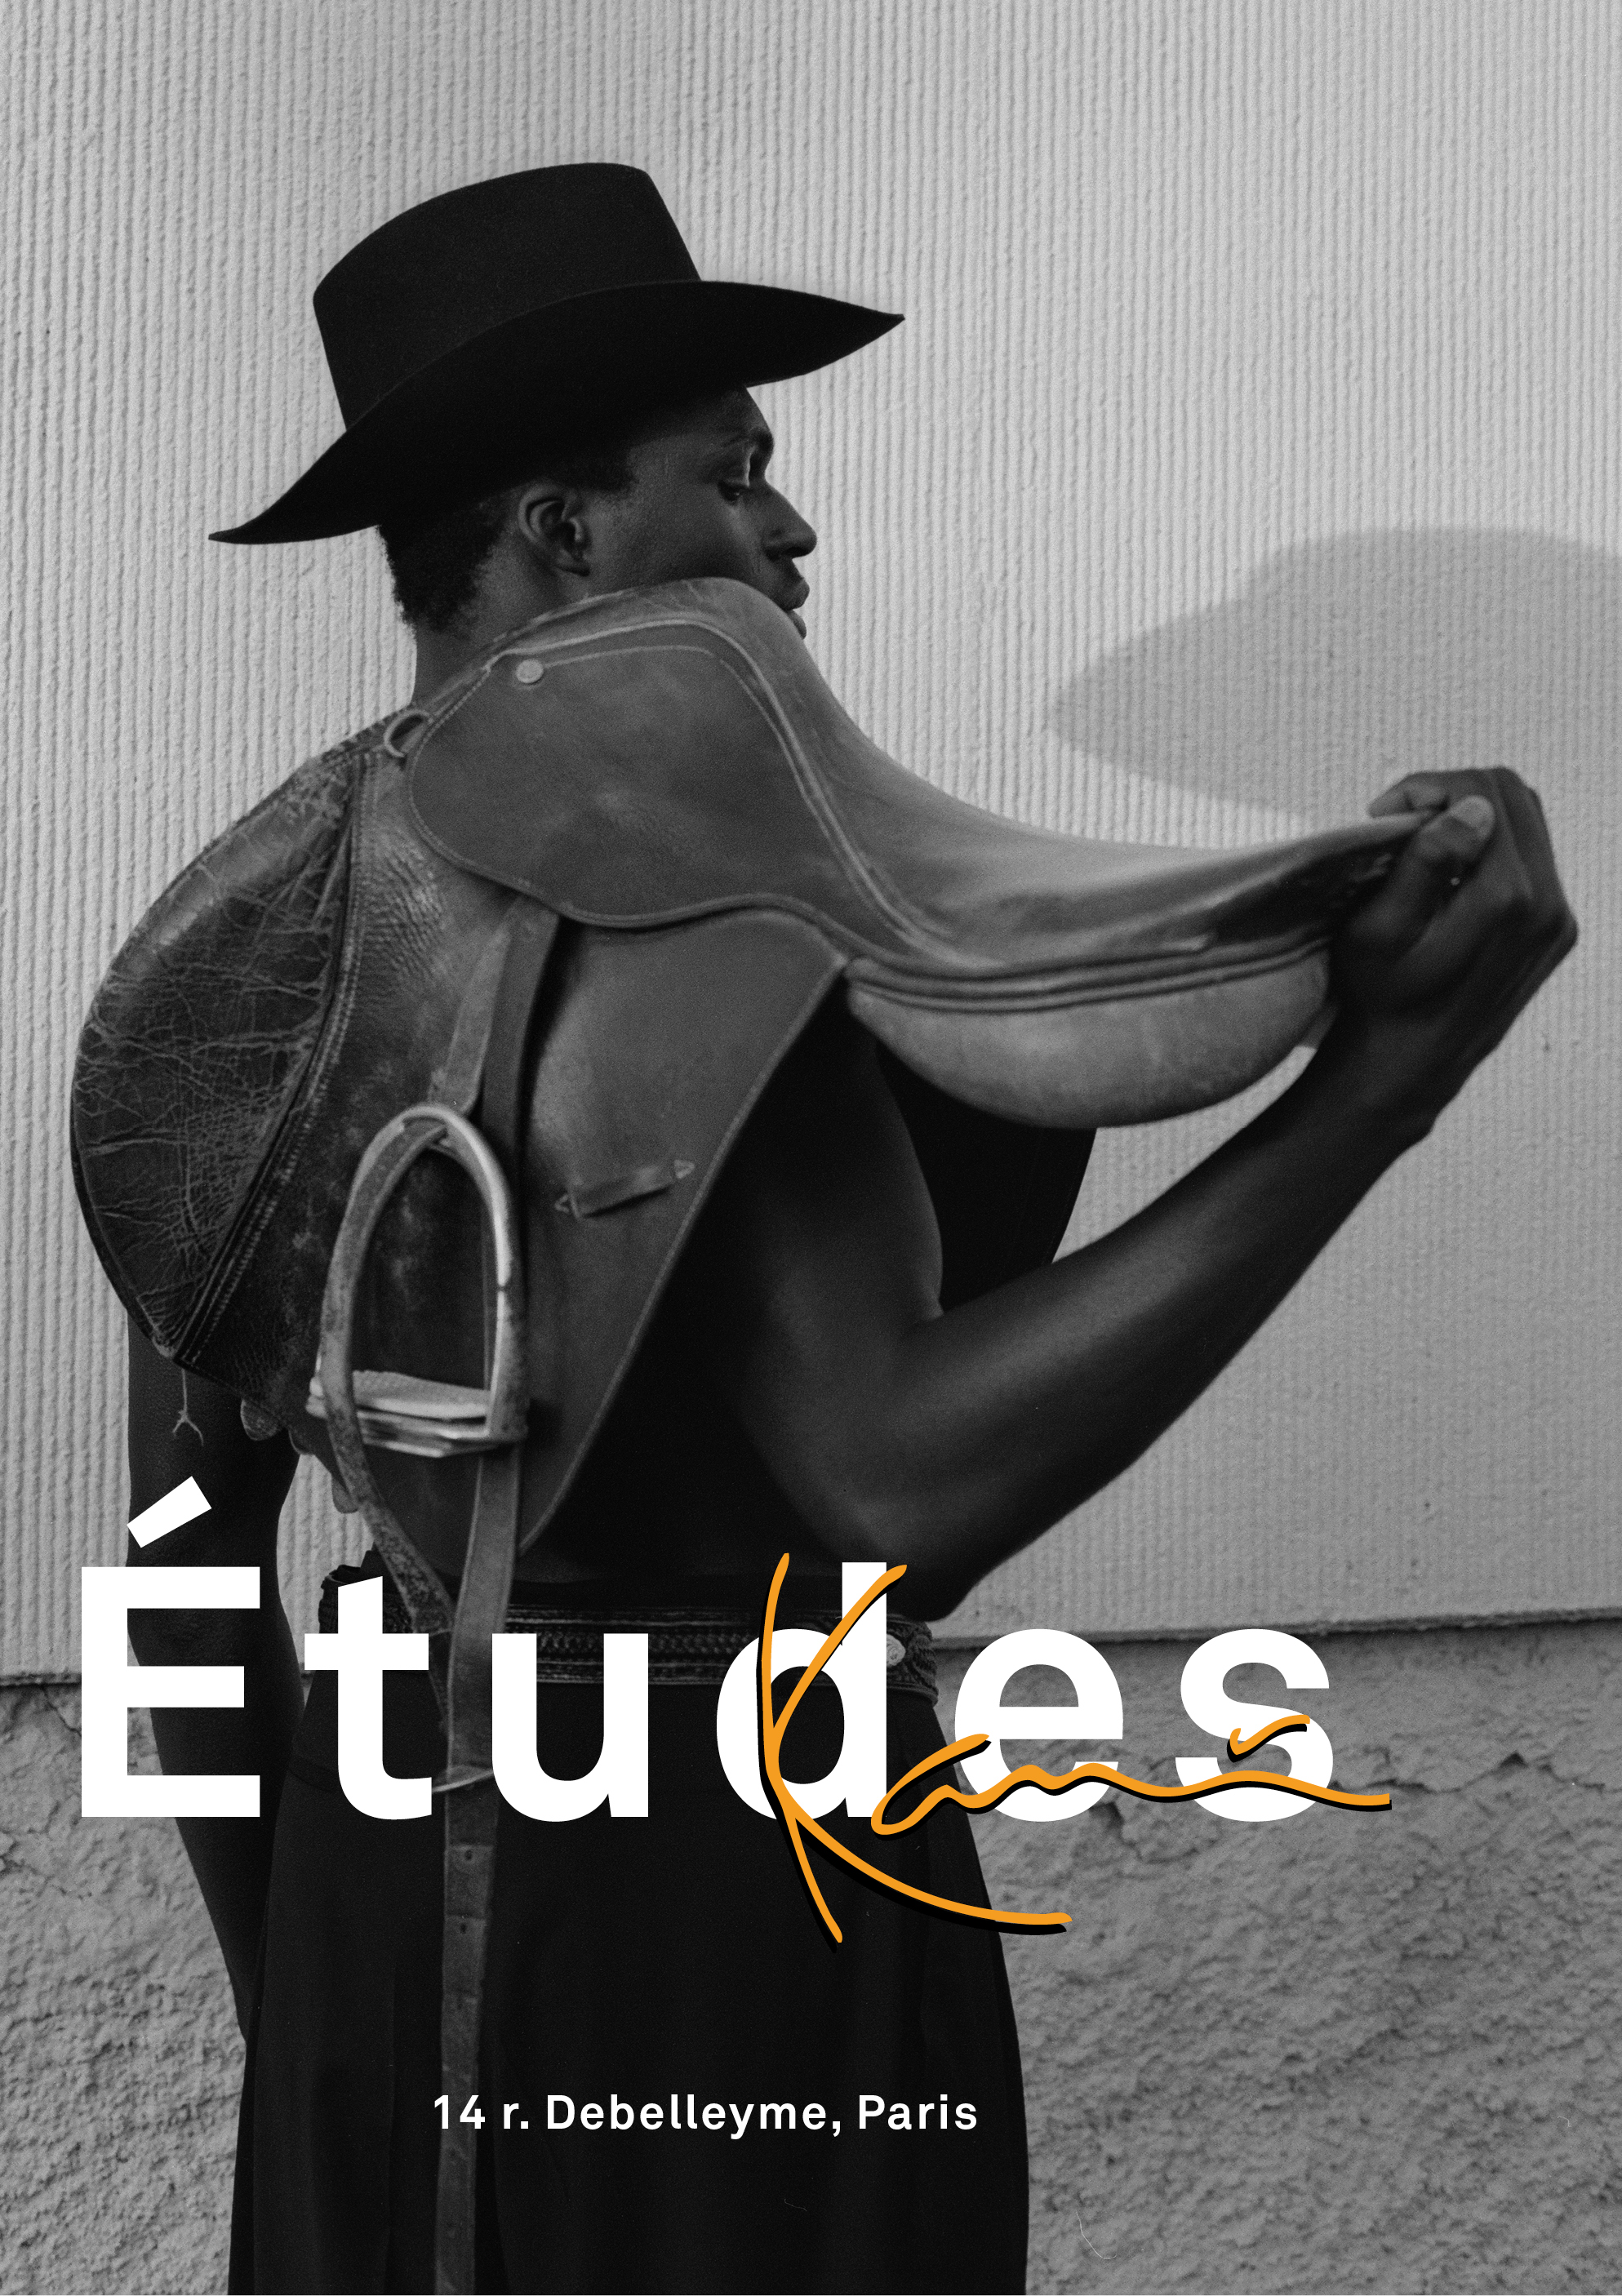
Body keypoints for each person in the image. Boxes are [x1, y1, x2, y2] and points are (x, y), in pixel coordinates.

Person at [113, 166, 1573, 2294]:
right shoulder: (719, 912)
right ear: (564, 531)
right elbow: (900, 1479)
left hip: (382, 1878)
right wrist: (1375, 1097)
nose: (790, 533)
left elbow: (170, 1557)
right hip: (735, 1874)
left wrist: (320, 2012)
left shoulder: (272, 943)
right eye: (734, 475)